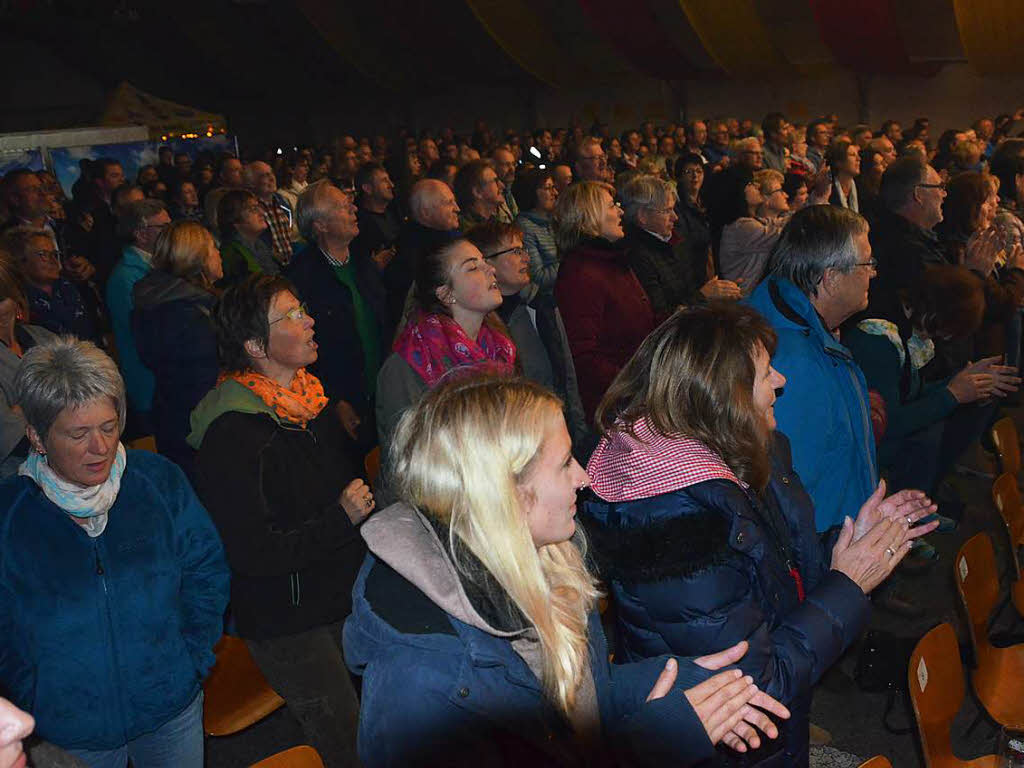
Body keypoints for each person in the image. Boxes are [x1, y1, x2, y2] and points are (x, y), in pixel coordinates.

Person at [344, 375, 793, 767]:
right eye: (564, 464)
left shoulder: (540, 562)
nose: (585, 477)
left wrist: (673, 678)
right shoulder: (421, 682)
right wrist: (652, 745)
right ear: (506, 495)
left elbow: (573, 707)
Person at [582, 303, 936, 767]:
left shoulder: (723, 458)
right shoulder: (677, 528)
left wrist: (847, 547)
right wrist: (849, 586)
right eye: (766, 372)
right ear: (721, 396)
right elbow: (755, 689)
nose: (781, 381)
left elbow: (772, 571)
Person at [0, 337, 229, 767]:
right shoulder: (9, 518)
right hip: (69, 733)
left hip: (170, 710)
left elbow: (206, 569)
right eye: (79, 433)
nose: (101, 448)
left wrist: (191, 657)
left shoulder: (157, 481)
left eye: (109, 427)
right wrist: (29, 694)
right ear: (37, 437)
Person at [189, 275, 372, 766]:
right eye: (291, 315)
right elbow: (252, 553)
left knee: (382, 720)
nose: (309, 320)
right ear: (254, 346)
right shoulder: (233, 434)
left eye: (303, 308)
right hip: (289, 620)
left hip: (340, 592)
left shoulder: (311, 403)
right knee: (347, 742)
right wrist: (342, 519)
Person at [844, 265, 1018, 500]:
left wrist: (959, 383)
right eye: (949, 331)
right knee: (928, 435)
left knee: (931, 432)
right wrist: (952, 395)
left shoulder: (905, 329)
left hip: (875, 445)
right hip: (857, 453)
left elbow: (908, 392)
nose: (944, 338)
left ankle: (917, 508)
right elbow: (887, 424)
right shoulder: (879, 341)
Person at [375, 237, 515, 457]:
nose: (490, 269)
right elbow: (412, 459)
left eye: (484, 261)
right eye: (472, 267)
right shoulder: (406, 368)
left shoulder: (500, 347)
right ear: (446, 294)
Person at [288, 180, 392, 450]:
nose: (354, 209)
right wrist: (332, 400)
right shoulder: (301, 277)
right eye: (343, 207)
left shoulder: (363, 262)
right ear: (320, 225)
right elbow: (298, 350)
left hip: (381, 392)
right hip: (341, 403)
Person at [465, 221, 588, 448]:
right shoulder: (484, 323)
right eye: (515, 251)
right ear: (486, 264)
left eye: (524, 250)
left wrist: (579, 433)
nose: (527, 258)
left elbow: (568, 374)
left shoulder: (542, 304)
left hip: (560, 428)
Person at [553, 181, 655, 420]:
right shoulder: (580, 273)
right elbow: (584, 356)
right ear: (587, 218)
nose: (620, 211)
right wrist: (636, 384)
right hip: (617, 407)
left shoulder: (611, 259)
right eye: (611, 206)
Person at [132, 220, 222, 475]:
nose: (220, 254)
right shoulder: (190, 316)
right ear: (198, 258)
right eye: (214, 249)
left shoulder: (159, 302)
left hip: (172, 420)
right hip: (199, 431)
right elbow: (205, 386)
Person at [106, 199, 168, 436]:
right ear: (141, 234)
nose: (170, 233)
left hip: (161, 380)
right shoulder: (125, 278)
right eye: (163, 227)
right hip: (149, 383)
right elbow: (143, 336)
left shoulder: (156, 267)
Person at [0, 250, 55, 478]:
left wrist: (23, 407)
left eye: (0, 299)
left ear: (15, 298)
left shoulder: (43, 337)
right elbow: (13, 442)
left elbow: (88, 395)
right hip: (19, 482)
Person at [4, 227, 98, 343]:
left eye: (54, 254)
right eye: (43, 254)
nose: (53, 260)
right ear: (21, 261)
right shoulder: (21, 300)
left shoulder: (67, 286)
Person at [717, 170, 789, 296]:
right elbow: (780, 234)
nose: (757, 187)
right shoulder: (740, 227)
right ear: (739, 190)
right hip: (742, 302)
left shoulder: (750, 222)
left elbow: (775, 223)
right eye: (750, 184)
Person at [512, 167, 560, 298]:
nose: (555, 193)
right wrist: (569, 261)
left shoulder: (554, 221)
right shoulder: (524, 227)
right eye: (548, 188)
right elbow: (538, 277)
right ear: (532, 192)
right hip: (548, 300)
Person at [454, 160, 504, 232]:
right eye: (495, 181)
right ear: (477, 192)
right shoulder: (466, 231)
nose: (502, 186)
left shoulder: (494, 222)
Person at [827, 139, 861, 213]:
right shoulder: (828, 190)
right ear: (838, 162)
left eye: (858, 155)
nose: (859, 159)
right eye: (852, 155)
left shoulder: (861, 188)